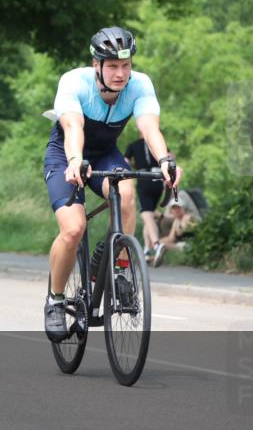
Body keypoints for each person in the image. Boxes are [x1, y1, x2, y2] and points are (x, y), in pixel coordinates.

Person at [43, 26, 181, 342]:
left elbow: (149, 127)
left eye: (126, 65)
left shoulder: (140, 85)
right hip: (66, 156)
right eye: (113, 66)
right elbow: (73, 126)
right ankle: (56, 298)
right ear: (97, 65)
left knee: (127, 194)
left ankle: (118, 267)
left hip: (106, 155)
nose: (121, 74)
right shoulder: (73, 82)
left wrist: (163, 161)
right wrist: (76, 161)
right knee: (74, 229)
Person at [123, 138, 163, 262]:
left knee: (146, 215)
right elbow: (170, 156)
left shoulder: (134, 144)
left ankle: (157, 245)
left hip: (144, 179)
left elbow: (125, 161)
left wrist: (134, 167)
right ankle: (146, 250)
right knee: (150, 215)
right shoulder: (157, 142)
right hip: (158, 180)